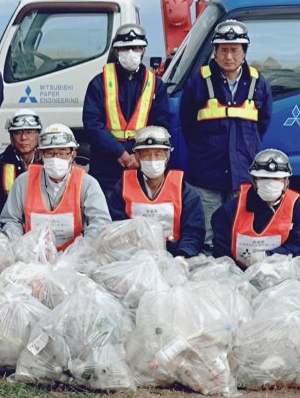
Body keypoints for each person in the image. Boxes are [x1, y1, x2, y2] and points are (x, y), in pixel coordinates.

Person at [179, 20, 272, 247]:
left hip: (243, 173)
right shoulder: (199, 80)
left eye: (234, 50)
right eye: (223, 50)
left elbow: (263, 123)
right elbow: (187, 122)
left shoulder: (258, 83)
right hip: (206, 173)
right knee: (207, 234)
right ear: (215, 51)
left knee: (240, 233)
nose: (229, 56)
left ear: (244, 52)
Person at [82, 24, 169, 195]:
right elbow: (92, 123)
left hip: (142, 165)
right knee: (107, 217)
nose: (131, 53)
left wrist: (139, 155)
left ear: (143, 49)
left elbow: (162, 125)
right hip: (107, 166)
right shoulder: (99, 83)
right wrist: (119, 152)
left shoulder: (156, 85)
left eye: (135, 48)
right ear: (116, 51)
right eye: (125, 48)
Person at [0, 124, 112, 250]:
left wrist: (81, 250)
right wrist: (21, 247)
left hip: (75, 258)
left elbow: (100, 222)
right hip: (33, 255)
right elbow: (10, 220)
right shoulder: (23, 182)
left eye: (62, 153)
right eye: (50, 153)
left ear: (72, 155)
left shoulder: (87, 184)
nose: (55, 158)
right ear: (41, 154)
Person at [106, 126, 205, 258]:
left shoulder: (184, 191)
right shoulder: (122, 188)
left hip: (175, 257)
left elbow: (193, 233)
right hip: (133, 259)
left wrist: (181, 258)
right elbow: (115, 228)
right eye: (146, 154)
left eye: (158, 154)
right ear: (137, 157)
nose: (152, 160)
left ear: (167, 156)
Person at [211, 148, 300, 268]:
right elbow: (221, 252)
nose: (270, 183)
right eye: (264, 178)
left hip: (282, 272)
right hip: (239, 273)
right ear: (254, 180)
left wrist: (268, 256)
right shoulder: (231, 210)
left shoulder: (299, 206)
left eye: (276, 179)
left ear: (286, 182)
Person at [0, 109, 42, 215]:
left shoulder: (47, 162)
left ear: (38, 135)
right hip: (10, 221)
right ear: (11, 137)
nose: (23, 138)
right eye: (18, 133)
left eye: (29, 132)